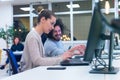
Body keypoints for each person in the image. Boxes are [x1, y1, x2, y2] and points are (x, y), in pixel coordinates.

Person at [20, 8, 84, 72]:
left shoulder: (38, 36)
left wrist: (64, 56)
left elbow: (43, 59)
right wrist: (61, 58)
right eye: (52, 23)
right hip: (29, 74)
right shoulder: (33, 37)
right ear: (43, 20)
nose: (52, 27)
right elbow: (37, 61)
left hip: (36, 72)